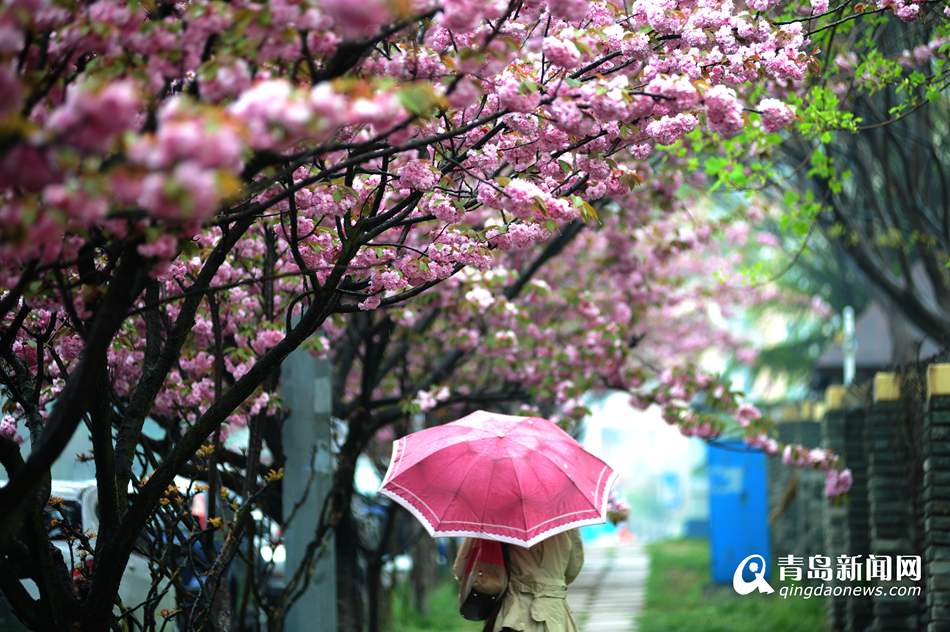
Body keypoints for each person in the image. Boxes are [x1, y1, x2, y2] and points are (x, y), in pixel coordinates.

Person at [455, 529, 584, 632]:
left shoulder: (494, 519)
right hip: (556, 615)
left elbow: (460, 569)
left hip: (515, 614)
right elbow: (573, 568)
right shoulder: (563, 517)